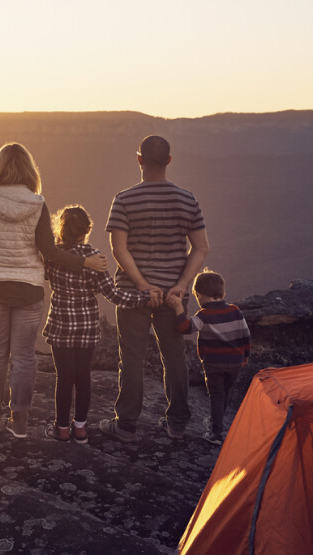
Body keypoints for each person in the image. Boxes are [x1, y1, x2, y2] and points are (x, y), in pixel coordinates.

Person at [0, 143, 107, 439]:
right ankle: (20, 420)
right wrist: (85, 262)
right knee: (25, 356)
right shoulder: (37, 204)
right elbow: (49, 251)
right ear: (29, 170)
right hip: (29, 289)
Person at [97, 135, 210, 442]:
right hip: (174, 296)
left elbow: (119, 249)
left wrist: (143, 284)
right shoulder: (188, 199)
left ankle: (127, 425)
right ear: (169, 161)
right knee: (173, 355)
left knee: (131, 357)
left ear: (139, 159)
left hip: (133, 294)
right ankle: (177, 423)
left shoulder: (124, 199)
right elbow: (201, 248)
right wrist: (181, 285)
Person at [41, 204, 155, 444]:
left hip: (61, 324)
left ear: (61, 229)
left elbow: (40, 273)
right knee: (83, 376)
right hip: (86, 326)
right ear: (87, 230)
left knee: (64, 378)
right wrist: (146, 296)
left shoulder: (53, 256)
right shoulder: (96, 258)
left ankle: (61, 429)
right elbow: (115, 296)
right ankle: (81, 429)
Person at [172, 270, 250, 444]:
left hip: (214, 364)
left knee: (216, 394)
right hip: (235, 362)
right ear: (222, 293)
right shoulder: (235, 311)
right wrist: (245, 355)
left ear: (198, 295)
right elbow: (245, 334)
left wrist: (178, 307)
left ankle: (216, 432)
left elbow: (185, 328)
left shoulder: (204, 315)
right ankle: (218, 421)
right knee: (226, 392)